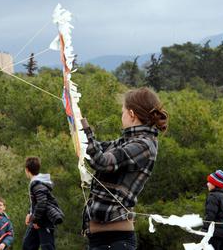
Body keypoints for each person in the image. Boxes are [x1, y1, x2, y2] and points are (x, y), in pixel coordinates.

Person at [81, 87, 168, 250]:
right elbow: (98, 148)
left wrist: (85, 129)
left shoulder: (143, 145)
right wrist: (80, 135)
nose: (122, 116)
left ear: (132, 114)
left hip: (115, 242)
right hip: (102, 241)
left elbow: (102, 162)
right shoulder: (127, 141)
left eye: (123, 112)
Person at [23, 157, 63, 250]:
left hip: (44, 221)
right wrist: (29, 213)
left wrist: (37, 220)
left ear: (27, 170)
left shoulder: (37, 184)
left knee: (47, 247)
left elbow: (42, 202)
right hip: (36, 220)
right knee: (27, 245)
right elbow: (35, 202)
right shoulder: (36, 182)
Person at [203, 169, 223, 250]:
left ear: (215, 184)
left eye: (209, 182)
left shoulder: (213, 196)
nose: (207, 184)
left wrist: (204, 229)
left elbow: (210, 215)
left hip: (214, 233)